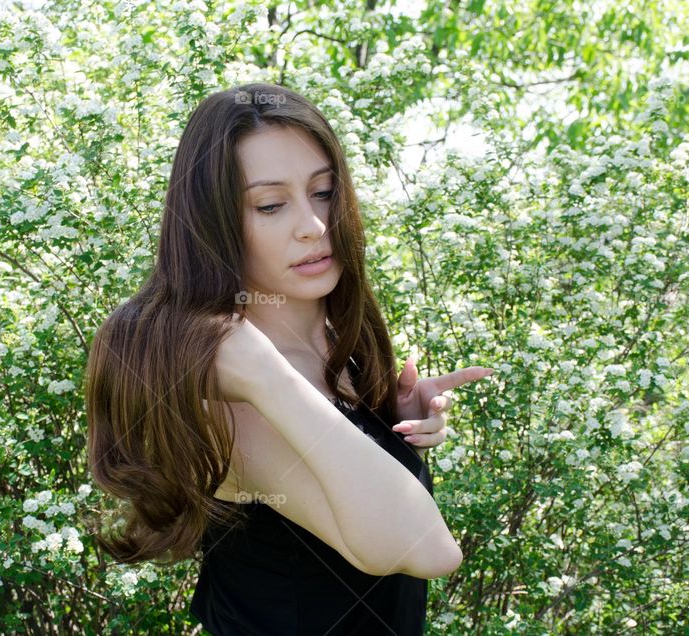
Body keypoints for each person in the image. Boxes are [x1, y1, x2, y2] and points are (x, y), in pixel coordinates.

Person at [85, 82, 495, 635]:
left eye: (323, 192)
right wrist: (262, 373)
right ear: (214, 226)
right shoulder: (234, 394)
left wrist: (385, 427)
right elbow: (429, 551)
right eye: (271, 204)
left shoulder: (330, 343)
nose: (314, 225)